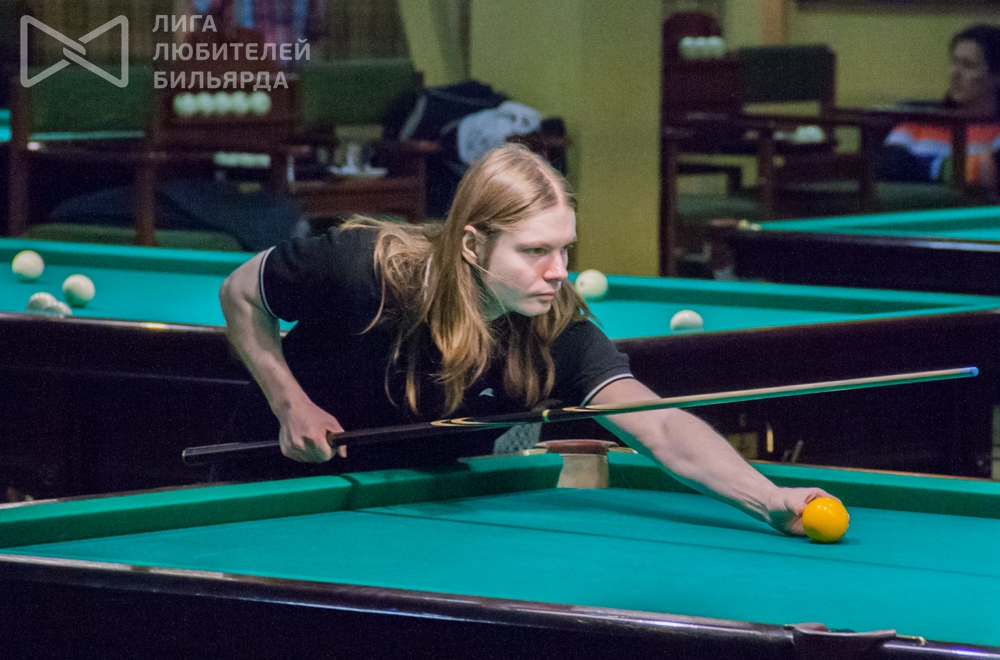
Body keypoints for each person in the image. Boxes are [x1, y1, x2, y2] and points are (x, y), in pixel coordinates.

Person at [219, 143, 832, 537]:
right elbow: (240, 293)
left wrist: (767, 498)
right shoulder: (364, 267)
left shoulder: (553, 328)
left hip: (417, 513)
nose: (558, 271)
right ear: (471, 244)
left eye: (565, 249)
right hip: (278, 492)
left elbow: (661, 426)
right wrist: (290, 404)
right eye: (535, 250)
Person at [879, 24, 1000, 192]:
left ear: (996, 77)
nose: (955, 73)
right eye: (954, 62)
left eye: (968, 65)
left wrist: (928, 168)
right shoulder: (914, 127)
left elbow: (985, 176)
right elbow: (883, 173)